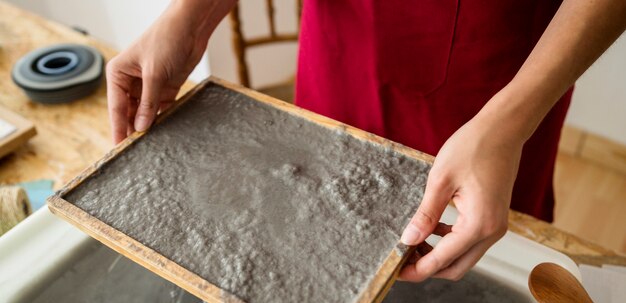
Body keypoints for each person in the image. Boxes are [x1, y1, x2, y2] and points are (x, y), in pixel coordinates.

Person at [106, 0, 626, 283]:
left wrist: (508, 124)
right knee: (312, 242)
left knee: (467, 265)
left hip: (494, 76)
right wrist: (193, 13)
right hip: (341, 44)